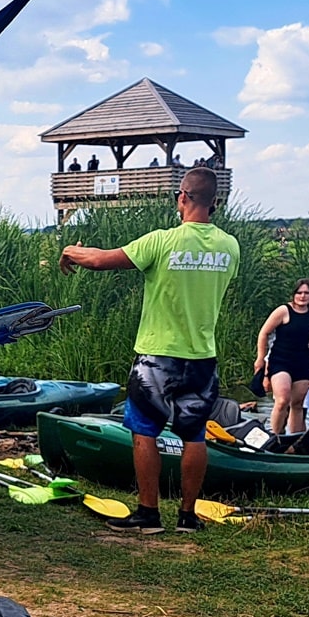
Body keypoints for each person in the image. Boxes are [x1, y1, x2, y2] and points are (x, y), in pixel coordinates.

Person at [59, 166, 239, 533]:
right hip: (202, 356)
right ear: (215, 202)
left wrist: (70, 250)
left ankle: (149, 513)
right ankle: (187, 517)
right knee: (194, 435)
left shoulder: (162, 241)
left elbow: (100, 260)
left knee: (145, 432)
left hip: (157, 356)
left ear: (182, 197)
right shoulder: (229, 246)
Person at [255, 279, 309, 436]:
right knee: (282, 400)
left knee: (298, 404)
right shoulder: (283, 311)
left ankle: (294, 439)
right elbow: (264, 333)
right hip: (280, 360)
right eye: (299, 293)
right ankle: (275, 436)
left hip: (302, 361)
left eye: (306, 293)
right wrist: (260, 358)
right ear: (294, 294)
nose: (302, 296)